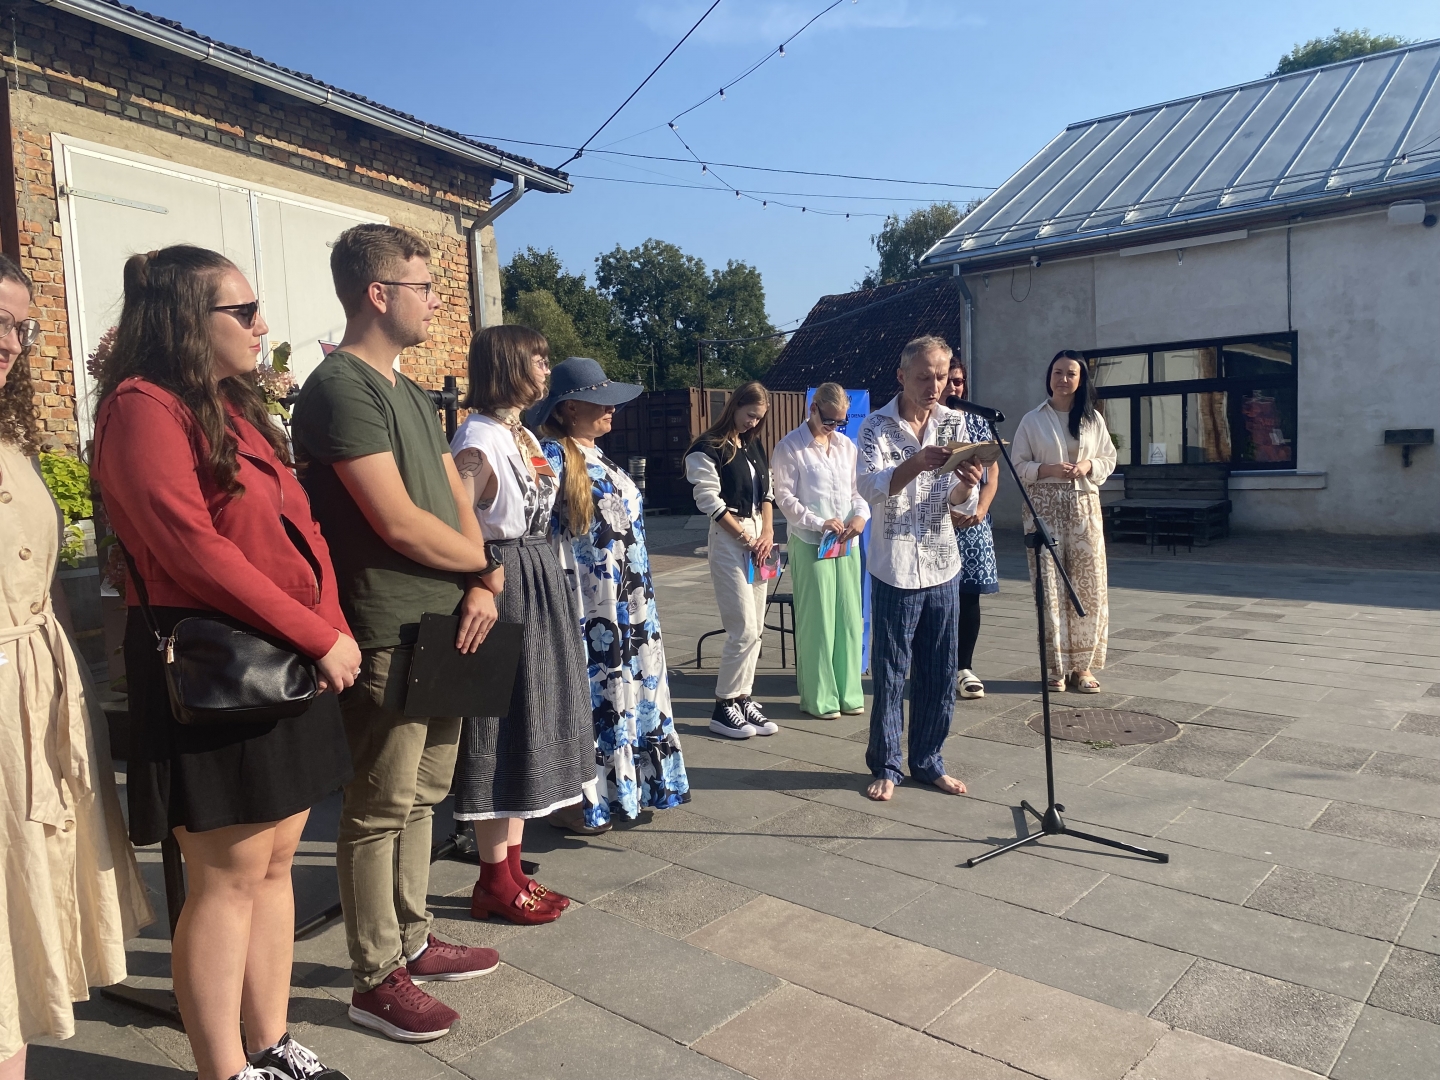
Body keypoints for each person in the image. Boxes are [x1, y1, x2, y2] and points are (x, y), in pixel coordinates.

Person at [92, 245, 355, 1080]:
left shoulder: (231, 409)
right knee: (225, 878)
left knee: (274, 865)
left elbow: (303, 531)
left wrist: (328, 626)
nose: (262, 324)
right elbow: (193, 552)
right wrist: (317, 635)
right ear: (184, 319)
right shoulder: (143, 408)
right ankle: (223, 1069)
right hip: (214, 663)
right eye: (242, 311)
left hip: (284, 656)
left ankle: (271, 1042)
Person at [290, 224, 501, 1045]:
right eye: (424, 287)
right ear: (378, 294)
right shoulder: (340, 387)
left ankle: (413, 937)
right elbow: (396, 521)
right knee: (379, 805)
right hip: (387, 623)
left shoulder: (409, 392)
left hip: (449, 617)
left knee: (426, 793)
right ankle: (375, 976)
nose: (436, 302)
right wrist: (484, 565)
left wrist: (481, 578)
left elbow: (451, 496)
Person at [0, 255, 153, 1080]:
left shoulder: (12, 438)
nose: (11, 343)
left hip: (35, 687)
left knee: (23, 905)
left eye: (21, 328)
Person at [449, 327, 592, 915]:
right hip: (505, 581)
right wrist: (478, 579)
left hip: (537, 574)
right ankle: (493, 879)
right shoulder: (477, 439)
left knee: (531, 718)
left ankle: (509, 870)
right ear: (508, 364)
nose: (545, 369)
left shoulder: (521, 432)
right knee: (503, 721)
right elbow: (455, 516)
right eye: (538, 359)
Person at [531, 356, 690, 832]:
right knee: (596, 693)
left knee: (633, 688)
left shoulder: (599, 456)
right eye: (600, 402)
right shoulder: (552, 457)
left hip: (630, 602)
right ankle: (580, 801)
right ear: (568, 408)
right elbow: (533, 527)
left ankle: (630, 788)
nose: (611, 410)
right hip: (590, 603)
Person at [856, 336, 984, 803]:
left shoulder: (954, 422)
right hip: (894, 566)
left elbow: (958, 503)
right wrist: (913, 464)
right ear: (902, 376)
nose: (934, 386)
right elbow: (868, 488)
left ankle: (929, 760)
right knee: (891, 671)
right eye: (924, 377)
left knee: (939, 669)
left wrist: (967, 485)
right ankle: (887, 764)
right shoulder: (875, 425)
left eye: (942, 377)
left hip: (942, 562)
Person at [1012, 350, 1116, 694]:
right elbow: (1018, 465)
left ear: (1081, 379)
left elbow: (1108, 458)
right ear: (1049, 376)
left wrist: (1087, 466)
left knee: (1088, 584)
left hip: (1084, 504)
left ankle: (1082, 666)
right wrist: (1048, 469)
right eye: (1057, 372)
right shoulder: (1032, 419)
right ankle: (1055, 666)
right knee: (1050, 587)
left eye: (1071, 373)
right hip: (1044, 506)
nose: (1063, 379)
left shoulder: (1092, 419)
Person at [684, 382, 782, 740]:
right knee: (742, 626)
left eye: (759, 418)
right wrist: (746, 537)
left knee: (756, 627)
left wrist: (767, 532)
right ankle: (724, 704)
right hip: (730, 535)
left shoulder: (752, 444)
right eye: (750, 415)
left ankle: (743, 697)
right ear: (735, 406)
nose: (753, 423)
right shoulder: (708, 447)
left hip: (758, 534)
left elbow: (767, 493)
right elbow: (709, 500)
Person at [770, 382, 868, 719]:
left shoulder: (847, 446)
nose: (834, 427)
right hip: (811, 541)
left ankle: (849, 692)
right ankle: (819, 697)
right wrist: (818, 521)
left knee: (849, 618)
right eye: (829, 420)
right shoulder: (790, 447)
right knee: (818, 620)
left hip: (846, 543)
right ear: (813, 408)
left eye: (841, 421)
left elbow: (859, 490)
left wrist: (861, 515)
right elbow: (784, 498)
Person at [944, 359, 1001, 699]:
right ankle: (935, 666)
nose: (955, 387)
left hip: (972, 524)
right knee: (936, 599)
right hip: (938, 523)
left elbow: (992, 475)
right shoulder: (929, 422)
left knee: (969, 597)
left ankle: (964, 667)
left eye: (960, 381)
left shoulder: (977, 422)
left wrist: (981, 509)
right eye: (949, 380)